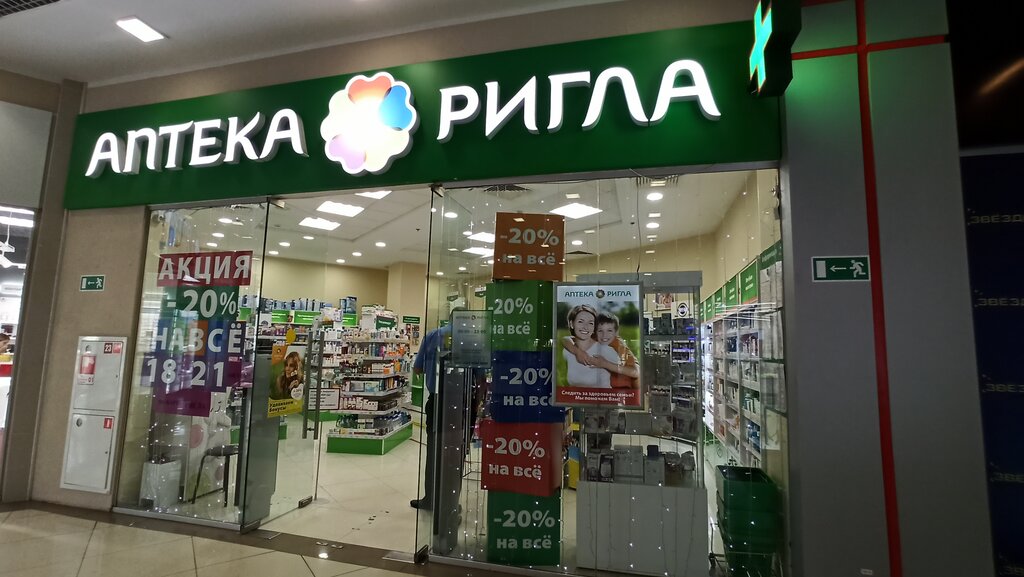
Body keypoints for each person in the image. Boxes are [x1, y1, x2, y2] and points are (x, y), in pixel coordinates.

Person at [561, 308, 638, 388]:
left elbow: (636, 372)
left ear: (616, 333)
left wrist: (604, 364)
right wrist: (578, 352)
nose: (604, 335)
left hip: (622, 387)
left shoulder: (619, 345)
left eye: (609, 331)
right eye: (600, 331)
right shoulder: (592, 338)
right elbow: (565, 339)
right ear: (595, 331)